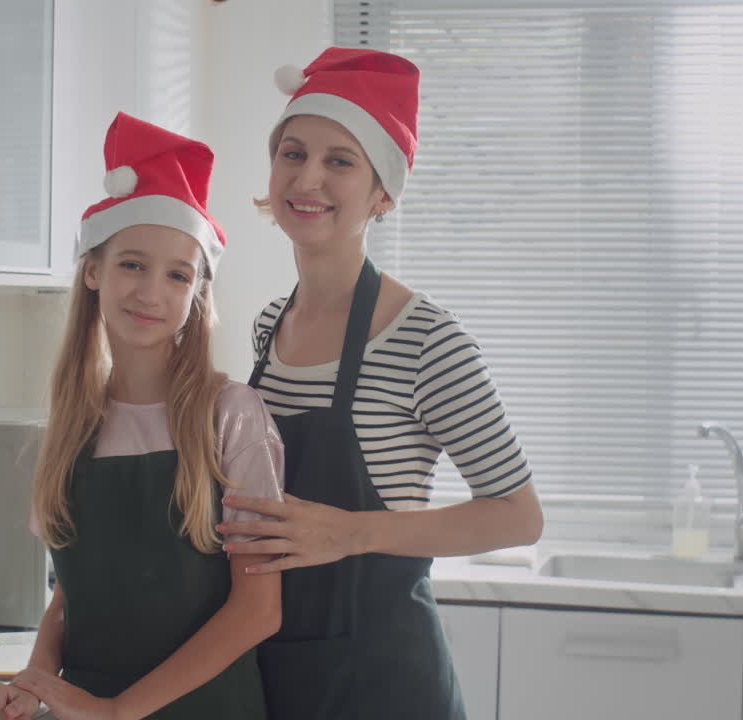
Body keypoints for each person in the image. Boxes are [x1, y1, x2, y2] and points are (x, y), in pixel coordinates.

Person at [215, 47, 545, 719]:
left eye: (341, 161)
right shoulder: (267, 329)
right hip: (277, 674)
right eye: (293, 153)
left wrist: (350, 533)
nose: (308, 178)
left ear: (382, 192)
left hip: (385, 684)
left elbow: (519, 515)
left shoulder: (426, 339)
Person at [0, 112, 283, 720]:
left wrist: (119, 710)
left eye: (178, 275)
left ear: (196, 294)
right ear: (94, 271)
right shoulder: (71, 427)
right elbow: (73, 595)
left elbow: (258, 610)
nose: (151, 293)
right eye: (132, 264)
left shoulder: (233, 417)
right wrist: (31, 684)